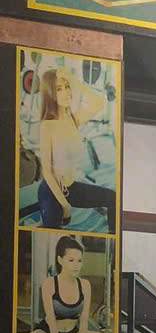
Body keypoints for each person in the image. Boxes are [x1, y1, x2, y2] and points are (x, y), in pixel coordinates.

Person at [33, 65, 116, 232]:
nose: (66, 92)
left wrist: (73, 80)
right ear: (50, 94)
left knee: (113, 198)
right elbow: (47, 171)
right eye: (59, 89)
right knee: (54, 232)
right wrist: (65, 206)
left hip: (70, 187)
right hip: (52, 191)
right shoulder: (48, 126)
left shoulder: (73, 119)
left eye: (67, 87)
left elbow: (99, 102)